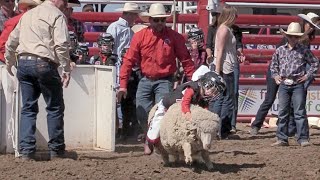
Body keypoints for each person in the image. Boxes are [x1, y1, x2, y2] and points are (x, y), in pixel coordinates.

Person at [117, 3, 195, 143]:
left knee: (161, 111)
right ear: (150, 20)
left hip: (165, 79)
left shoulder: (174, 37)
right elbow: (128, 60)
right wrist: (123, 84)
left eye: (162, 20)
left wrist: (192, 80)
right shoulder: (140, 37)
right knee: (141, 113)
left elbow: (186, 59)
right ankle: (151, 136)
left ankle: (156, 140)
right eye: (156, 20)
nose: (160, 23)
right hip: (145, 78)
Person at [5, 0, 71, 160]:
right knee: (54, 107)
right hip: (44, 62)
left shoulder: (27, 15)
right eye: (65, 1)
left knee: (28, 108)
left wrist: (9, 62)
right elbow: (61, 44)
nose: (66, 4)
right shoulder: (57, 15)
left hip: (24, 63)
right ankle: (56, 151)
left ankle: (26, 151)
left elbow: (11, 41)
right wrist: (66, 68)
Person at [250, 12, 320, 136]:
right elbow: (279, 58)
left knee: (286, 103)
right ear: (306, 24)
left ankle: (280, 128)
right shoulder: (296, 39)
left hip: (289, 75)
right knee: (270, 99)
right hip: (279, 72)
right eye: (311, 25)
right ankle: (257, 124)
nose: (312, 28)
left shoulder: (301, 40)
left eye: (313, 26)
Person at [145, 69, 226, 155]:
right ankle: (148, 140)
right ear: (206, 84)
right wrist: (188, 114)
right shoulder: (192, 88)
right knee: (155, 132)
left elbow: (204, 112)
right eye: (213, 91)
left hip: (178, 111)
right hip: (167, 106)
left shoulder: (204, 98)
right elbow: (185, 103)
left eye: (216, 93)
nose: (214, 95)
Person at [270, 22, 318, 147]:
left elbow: (315, 63)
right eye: (291, 36)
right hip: (284, 83)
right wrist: (275, 76)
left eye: (295, 37)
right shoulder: (280, 50)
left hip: (297, 83)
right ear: (287, 36)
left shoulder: (303, 50)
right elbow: (273, 65)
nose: (293, 38)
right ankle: (282, 138)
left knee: (299, 111)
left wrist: (307, 76)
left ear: (298, 38)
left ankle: (302, 138)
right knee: (283, 112)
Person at [107, 2, 142, 139]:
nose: (135, 17)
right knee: (119, 101)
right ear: (128, 14)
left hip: (127, 69)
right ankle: (119, 131)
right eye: (134, 14)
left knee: (127, 101)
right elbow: (110, 50)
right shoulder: (115, 28)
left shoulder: (129, 29)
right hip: (118, 68)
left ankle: (125, 131)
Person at [206, 7, 244, 133]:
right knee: (226, 98)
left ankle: (219, 128)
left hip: (226, 66)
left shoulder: (224, 28)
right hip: (225, 68)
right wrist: (217, 71)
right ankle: (222, 128)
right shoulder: (224, 29)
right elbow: (220, 51)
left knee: (222, 98)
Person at [0, 0, 43, 65]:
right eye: (7, 1)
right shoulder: (15, 20)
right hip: (8, 60)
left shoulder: (19, 17)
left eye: (12, 0)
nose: (11, 3)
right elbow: (3, 45)